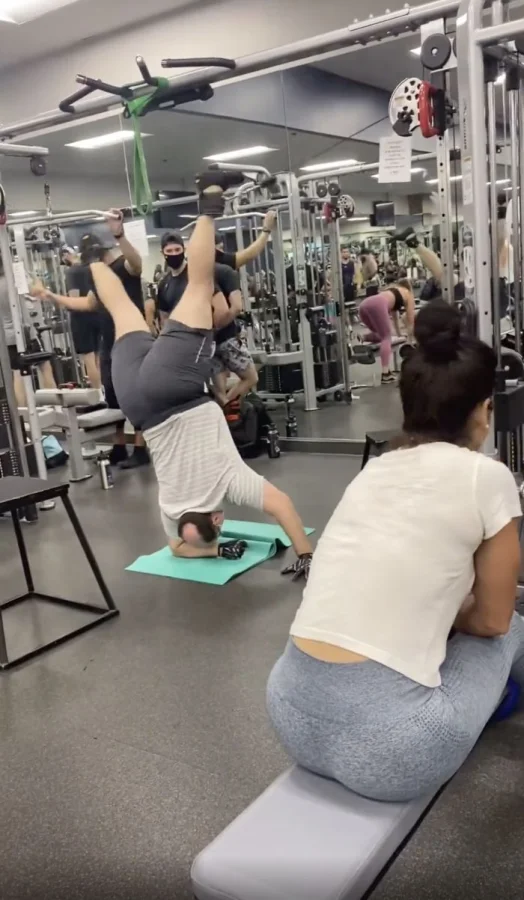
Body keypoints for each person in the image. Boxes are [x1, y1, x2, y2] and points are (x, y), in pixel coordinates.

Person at [267, 301, 524, 803]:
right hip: (398, 752)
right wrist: (457, 611)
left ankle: (476, 696)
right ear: (483, 411)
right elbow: (493, 620)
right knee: (511, 627)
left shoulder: (374, 470)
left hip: (289, 714)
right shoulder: (488, 477)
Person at [84, 168, 313, 578]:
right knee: (121, 310)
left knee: (199, 283)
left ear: (219, 520)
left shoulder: (230, 483)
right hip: (137, 405)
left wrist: (306, 555)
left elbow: (281, 506)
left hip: (174, 390)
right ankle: (89, 256)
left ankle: (209, 197)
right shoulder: (172, 510)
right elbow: (178, 547)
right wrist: (211, 551)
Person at [32, 212, 155, 469]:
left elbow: (136, 262)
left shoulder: (123, 267)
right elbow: (86, 303)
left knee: (135, 397)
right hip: (109, 342)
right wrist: (51, 296)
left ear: (105, 252)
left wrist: (119, 234)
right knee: (113, 398)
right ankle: (119, 446)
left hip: (132, 340)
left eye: (96, 256)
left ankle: (141, 449)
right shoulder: (98, 277)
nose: (94, 262)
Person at [157, 231, 258, 406]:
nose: (174, 254)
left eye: (177, 250)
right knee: (218, 391)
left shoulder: (197, 277)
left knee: (250, 378)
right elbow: (165, 319)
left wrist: (211, 330)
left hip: (224, 338)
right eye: (169, 251)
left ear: (184, 249)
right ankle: (225, 411)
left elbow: (225, 308)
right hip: (198, 347)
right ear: (162, 253)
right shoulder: (164, 284)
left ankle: (226, 409)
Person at [0, 257, 57, 407]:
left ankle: (23, 415)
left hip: (7, 337)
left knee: (18, 373)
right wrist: (35, 277)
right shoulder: (13, 279)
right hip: (26, 333)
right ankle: (56, 407)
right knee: (45, 366)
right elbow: (37, 292)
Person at [358, 278, 416, 383]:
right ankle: (385, 374)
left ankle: (364, 337)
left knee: (382, 333)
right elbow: (410, 319)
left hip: (364, 305)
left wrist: (399, 334)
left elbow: (395, 316)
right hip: (378, 305)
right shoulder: (408, 294)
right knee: (386, 337)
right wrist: (410, 340)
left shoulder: (393, 291)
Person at [60, 246, 103, 391]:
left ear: (66, 255)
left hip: (81, 318)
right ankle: (104, 391)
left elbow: (74, 298)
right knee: (98, 358)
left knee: (89, 360)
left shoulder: (72, 272)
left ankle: (97, 394)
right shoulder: (91, 268)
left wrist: (64, 303)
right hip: (96, 315)